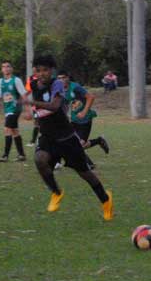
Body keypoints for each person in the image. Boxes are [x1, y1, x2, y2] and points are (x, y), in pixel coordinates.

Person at [30, 55, 113, 220]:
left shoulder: (57, 84)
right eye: (38, 70)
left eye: (45, 70)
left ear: (51, 70)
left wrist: (31, 103)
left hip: (67, 138)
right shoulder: (33, 85)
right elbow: (37, 110)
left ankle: (105, 200)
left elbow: (54, 106)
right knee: (40, 159)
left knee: (85, 174)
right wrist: (33, 115)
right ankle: (56, 192)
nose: (42, 74)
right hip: (48, 137)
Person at [0, 60, 28, 162]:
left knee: (7, 129)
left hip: (15, 108)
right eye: (3, 67)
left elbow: (24, 95)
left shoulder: (16, 80)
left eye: (8, 66)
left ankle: (5, 156)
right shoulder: (1, 81)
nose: (6, 68)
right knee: (14, 131)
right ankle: (21, 155)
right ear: (1, 69)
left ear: (11, 69)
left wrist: (28, 109)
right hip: (7, 109)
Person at [58, 71, 110, 154]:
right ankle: (99, 141)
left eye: (64, 77)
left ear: (68, 77)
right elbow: (66, 104)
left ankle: (97, 144)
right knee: (70, 143)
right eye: (59, 78)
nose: (61, 80)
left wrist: (83, 112)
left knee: (78, 146)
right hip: (74, 120)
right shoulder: (62, 90)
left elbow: (91, 97)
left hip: (85, 120)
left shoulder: (75, 87)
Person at [25, 65, 41, 147]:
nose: (35, 72)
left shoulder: (43, 77)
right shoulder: (31, 79)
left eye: (36, 70)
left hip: (46, 104)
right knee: (36, 122)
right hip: (36, 104)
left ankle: (38, 140)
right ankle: (33, 141)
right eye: (34, 70)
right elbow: (28, 91)